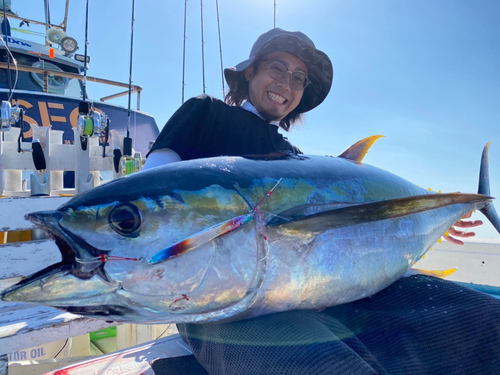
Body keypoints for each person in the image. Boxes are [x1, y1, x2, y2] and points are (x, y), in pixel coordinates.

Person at [146, 29, 499, 375]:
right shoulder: (204, 112)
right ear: (249, 71)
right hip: (217, 301)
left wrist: (431, 215)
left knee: (481, 324)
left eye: (298, 77)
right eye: (276, 68)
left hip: (307, 292)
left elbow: (349, 230)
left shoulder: (292, 156)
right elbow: (151, 199)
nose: (286, 83)